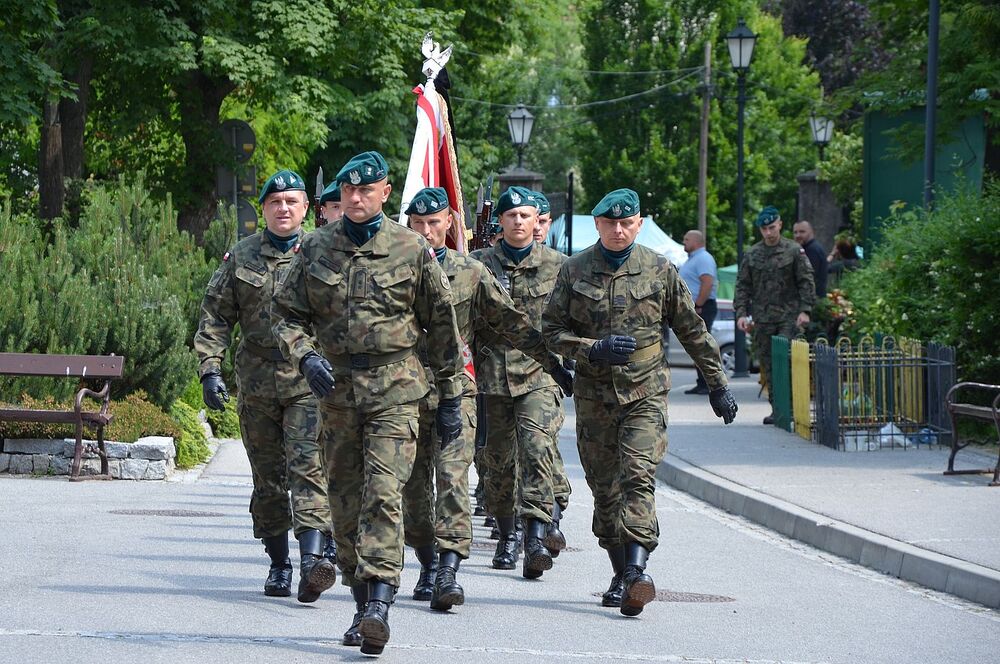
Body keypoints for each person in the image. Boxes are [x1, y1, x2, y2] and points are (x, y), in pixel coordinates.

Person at [271, 152, 463, 657]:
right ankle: (361, 605)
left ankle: (379, 603)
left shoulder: (411, 249)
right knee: (344, 501)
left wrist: (449, 396)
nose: (355, 199)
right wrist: (306, 356)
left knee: (383, 493)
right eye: (347, 192)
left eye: (366, 190)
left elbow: (442, 325)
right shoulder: (314, 249)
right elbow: (285, 315)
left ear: (384, 190)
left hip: (396, 389)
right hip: (335, 393)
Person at [542, 188, 737, 617]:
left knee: (638, 476)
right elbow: (551, 331)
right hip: (595, 398)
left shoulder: (660, 270)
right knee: (605, 490)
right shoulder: (574, 271)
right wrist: (592, 348)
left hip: (645, 393)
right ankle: (620, 574)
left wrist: (717, 384)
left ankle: (637, 572)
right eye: (609, 223)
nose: (617, 230)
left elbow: (692, 330)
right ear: (597, 224)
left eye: (626, 223)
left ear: (638, 224)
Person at [401, 186, 573, 609]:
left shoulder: (470, 272)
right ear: (409, 226)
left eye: (434, 222)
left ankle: (449, 569)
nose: (427, 230)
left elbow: (511, 323)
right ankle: (427, 563)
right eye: (418, 224)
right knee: (414, 491)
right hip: (401, 393)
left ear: (449, 224)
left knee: (455, 478)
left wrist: (554, 362)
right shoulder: (391, 270)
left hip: (458, 391)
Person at [194, 169, 337, 604]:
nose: (283, 209)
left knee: (309, 469)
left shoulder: (324, 253)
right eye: (275, 203)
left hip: (308, 383)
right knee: (269, 481)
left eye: (292, 202)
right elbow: (215, 315)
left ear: (306, 209)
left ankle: (313, 562)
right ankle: (279, 562)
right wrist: (209, 370)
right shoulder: (241, 256)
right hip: (256, 383)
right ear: (264, 210)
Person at [470, 185, 571, 580]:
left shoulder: (560, 266)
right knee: (496, 463)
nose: (518, 222)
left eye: (525, 216)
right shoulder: (478, 264)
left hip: (539, 374)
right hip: (491, 375)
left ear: (536, 222)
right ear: (502, 221)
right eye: (511, 216)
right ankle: (507, 534)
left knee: (537, 449)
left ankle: (534, 536)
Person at [734, 206, 815, 425]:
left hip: (789, 317)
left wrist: (805, 310)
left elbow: (806, 280)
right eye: (764, 229)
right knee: (769, 365)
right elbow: (743, 286)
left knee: (786, 361)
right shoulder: (752, 254)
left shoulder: (793, 250)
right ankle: (777, 410)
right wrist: (741, 313)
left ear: (779, 224)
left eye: (772, 227)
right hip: (763, 319)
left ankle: (791, 409)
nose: (768, 233)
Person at [679, 230, 719, 395]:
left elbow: (707, 282)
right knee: (696, 346)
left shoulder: (703, 258)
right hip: (695, 307)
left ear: (696, 241)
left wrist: (698, 304)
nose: (684, 241)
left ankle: (710, 384)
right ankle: (702, 382)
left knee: (701, 345)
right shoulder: (694, 259)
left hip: (702, 307)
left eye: (686, 239)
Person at [792, 220, 828, 297]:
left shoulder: (812, 250)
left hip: (812, 299)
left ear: (811, 232)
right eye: (795, 232)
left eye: (802, 232)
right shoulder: (808, 248)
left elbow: (809, 277)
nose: (798, 235)